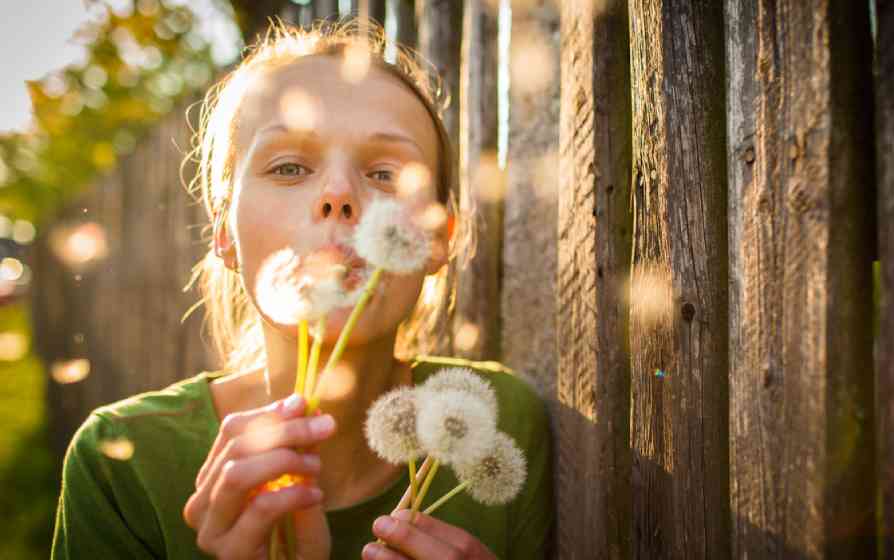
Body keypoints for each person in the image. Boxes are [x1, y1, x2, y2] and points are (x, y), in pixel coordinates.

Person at [51, 19, 553, 560]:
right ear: (224, 233)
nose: (338, 195)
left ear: (438, 238)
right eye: (289, 166)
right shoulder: (120, 467)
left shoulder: (502, 422)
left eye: (386, 175)